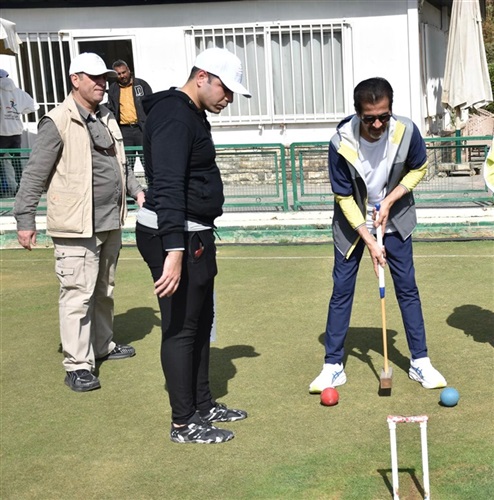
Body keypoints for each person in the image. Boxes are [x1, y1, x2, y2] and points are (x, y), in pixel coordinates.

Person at [136, 47, 251, 444]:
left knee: (201, 322)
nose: (229, 98)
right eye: (226, 89)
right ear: (202, 76)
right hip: (175, 235)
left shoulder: (191, 112)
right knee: (181, 327)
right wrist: (174, 250)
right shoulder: (174, 115)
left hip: (194, 232)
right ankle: (183, 423)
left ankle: (203, 405)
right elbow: (168, 184)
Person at [14, 52, 145, 392]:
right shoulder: (57, 121)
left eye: (105, 79)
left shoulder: (106, 116)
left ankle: (102, 345)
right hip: (75, 225)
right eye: (95, 78)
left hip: (109, 222)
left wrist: (136, 190)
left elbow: (121, 164)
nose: (102, 84)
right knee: (77, 295)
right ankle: (77, 364)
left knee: (104, 291)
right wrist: (25, 218)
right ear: (75, 80)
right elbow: (35, 173)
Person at [309, 77, 447, 393]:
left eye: (383, 116)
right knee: (342, 289)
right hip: (352, 223)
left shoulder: (406, 131)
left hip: (394, 217)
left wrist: (389, 200)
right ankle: (333, 366)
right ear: (357, 112)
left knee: (407, 288)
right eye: (369, 118)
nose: (377, 124)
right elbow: (343, 196)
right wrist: (369, 240)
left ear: (390, 110)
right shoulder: (340, 142)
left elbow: (419, 168)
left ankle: (420, 361)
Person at [107, 60, 152, 169]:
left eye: (124, 72)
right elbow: (111, 109)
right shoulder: (113, 89)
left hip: (141, 129)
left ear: (128, 70)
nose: (122, 76)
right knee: (126, 163)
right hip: (124, 131)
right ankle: (128, 181)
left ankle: (151, 181)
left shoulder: (141, 85)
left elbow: (151, 105)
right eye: (119, 74)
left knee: (147, 161)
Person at [0, 71, 39, 195]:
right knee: (16, 162)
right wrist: (19, 111)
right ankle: (20, 189)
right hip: (16, 133)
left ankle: (3, 190)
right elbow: (34, 106)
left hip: (1, 132)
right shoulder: (18, 92)